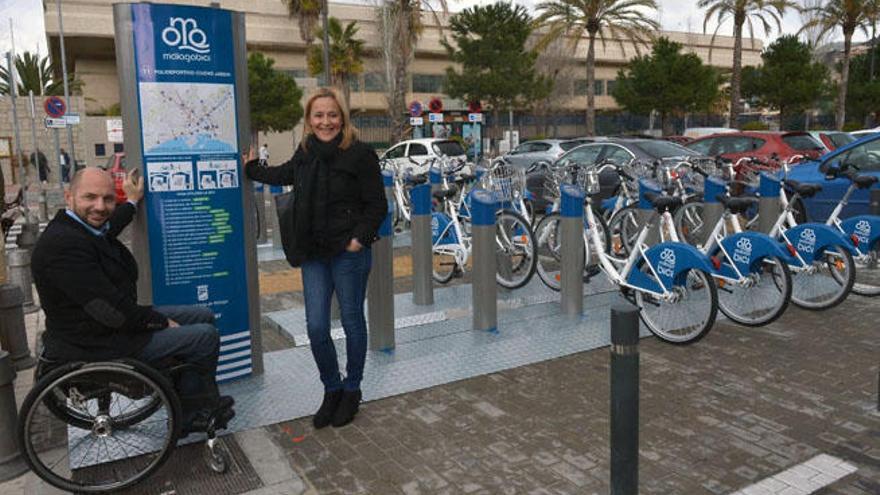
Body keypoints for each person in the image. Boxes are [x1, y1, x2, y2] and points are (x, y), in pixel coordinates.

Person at [30, 167, 234, 434]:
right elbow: (111, 312)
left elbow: (109, 226)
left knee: (202, 315)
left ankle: (183, 392)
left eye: (108, 199)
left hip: (104, 326)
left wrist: (132, 201)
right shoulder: (63, 245)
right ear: (69, 197)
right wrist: (160, 322)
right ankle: (190, 414)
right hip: (97, 340)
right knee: (204, 336)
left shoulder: (80, 229)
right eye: (90, 197)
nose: (100, 206)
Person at [244, 87, 387, 428]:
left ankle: (352, 389)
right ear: (309, 120)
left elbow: (376, 205)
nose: (326, 121)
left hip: (348, 252)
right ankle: (332, 389)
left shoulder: (360, 153)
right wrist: (251, 169)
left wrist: (358, 239)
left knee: (352, 319)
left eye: (332, 114)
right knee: (316, 326)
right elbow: (283, 174)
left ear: (343, 118)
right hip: (313, 252)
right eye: (319, 115)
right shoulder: (306, 151)